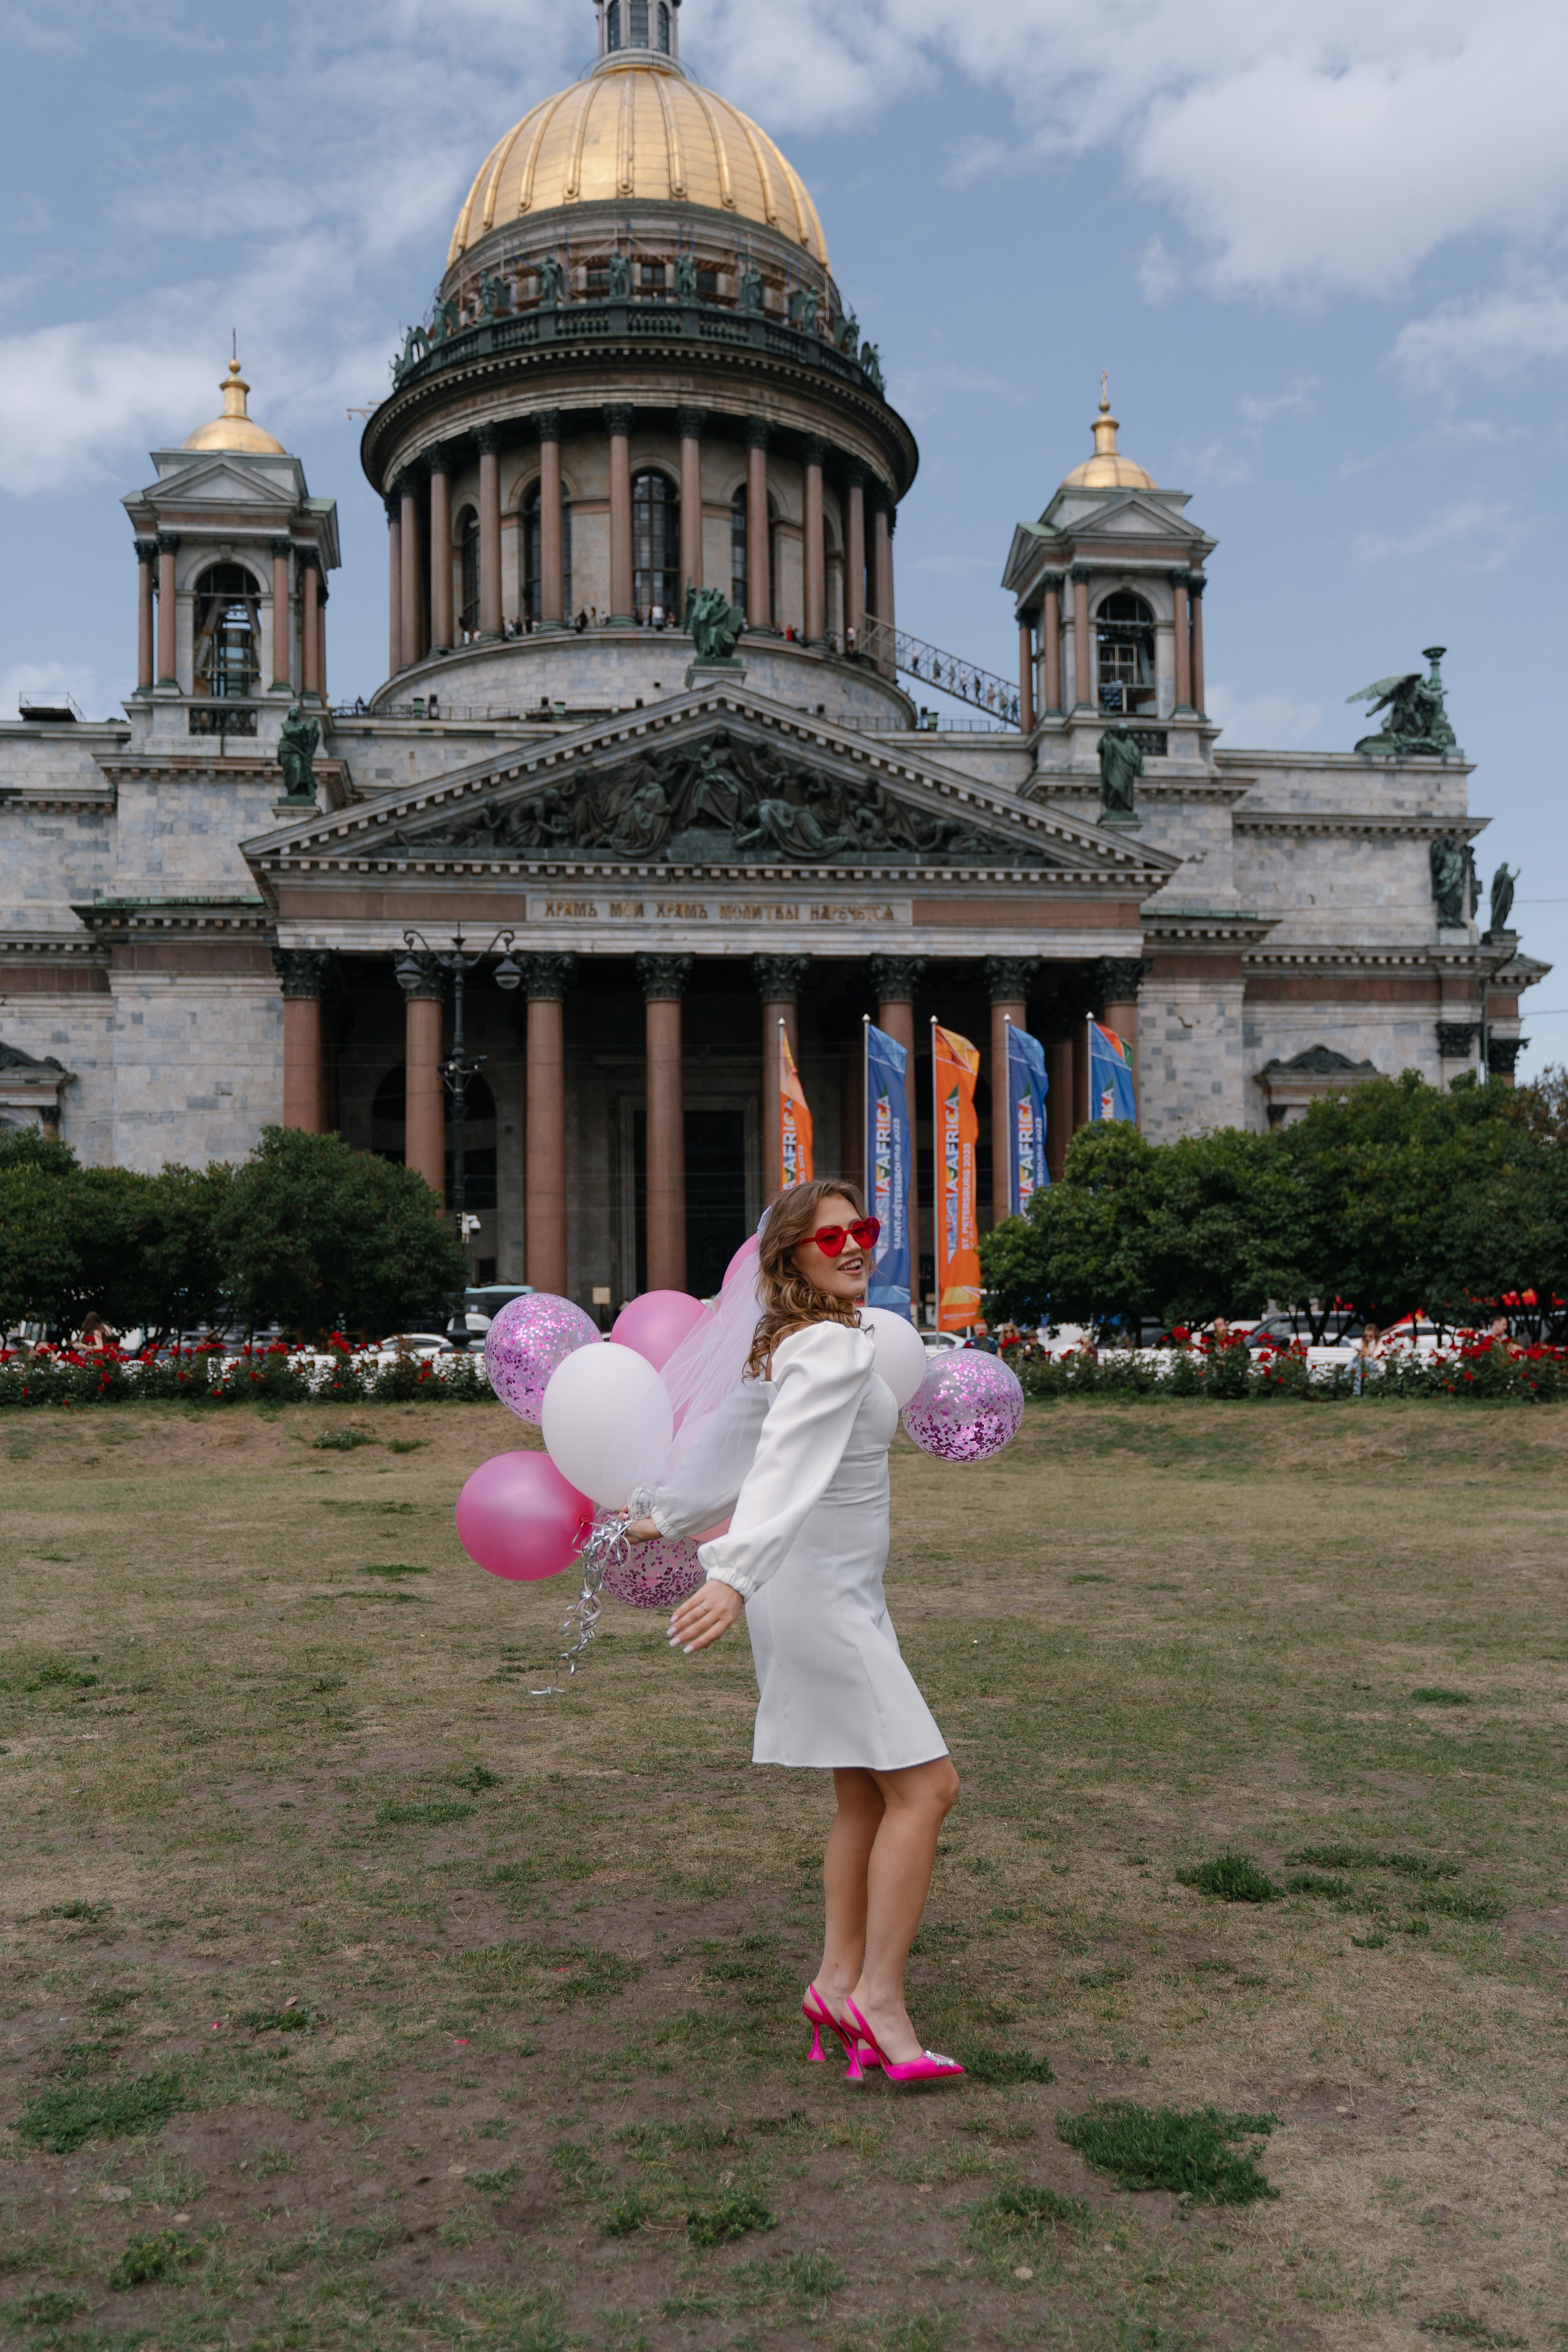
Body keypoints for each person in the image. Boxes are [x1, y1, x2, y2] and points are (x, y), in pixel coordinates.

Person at [625, 1178, 963, 2087]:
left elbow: (735, 1445)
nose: (854, 1247)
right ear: (790, 1256)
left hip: (831, 1588)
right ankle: (880, 2001)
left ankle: (836, 1982)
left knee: (866, 1797)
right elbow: (781, 1462)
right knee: (927, 1788)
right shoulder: (828, 1346)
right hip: (813, 1593)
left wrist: (665, 1516)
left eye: (864, 1229)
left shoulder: (792, 1341)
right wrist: (731, 1573)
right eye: (831, 1237)